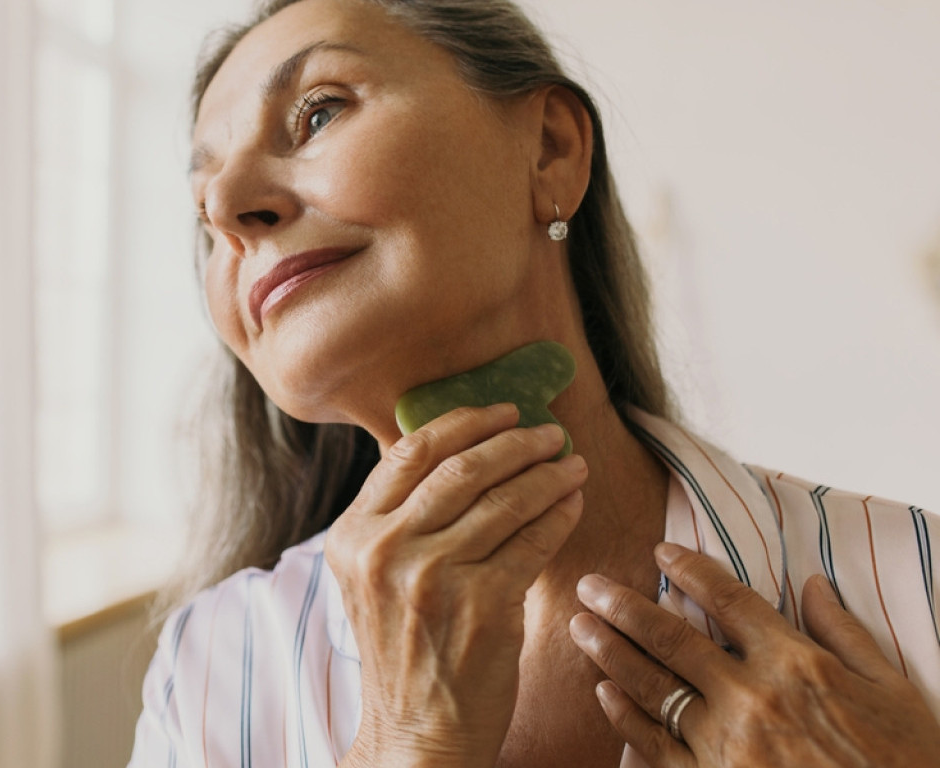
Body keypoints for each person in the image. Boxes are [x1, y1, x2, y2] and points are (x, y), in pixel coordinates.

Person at [128, 0, 940, 765]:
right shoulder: (204, 674)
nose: (226, 207)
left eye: (318, 113)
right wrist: (408, 740)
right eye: (202, 211)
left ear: (551, 148)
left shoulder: (923, 578)